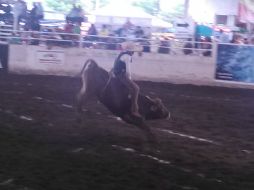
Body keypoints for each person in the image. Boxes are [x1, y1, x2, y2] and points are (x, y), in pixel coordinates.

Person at [110, 42, 141, 117]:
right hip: (120, 75)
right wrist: (130, 80)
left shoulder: (122, 53)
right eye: (133, 51)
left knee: (132, 88)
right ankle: (134, 109)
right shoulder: (127, 56)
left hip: (115, 72)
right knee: (136, 89)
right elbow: (128, 71)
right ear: (131, 51)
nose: (134, 52)